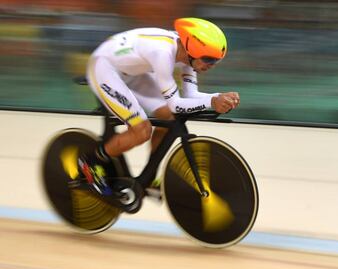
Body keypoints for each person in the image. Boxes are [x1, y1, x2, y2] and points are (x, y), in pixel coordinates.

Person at [80, 17, 240, 195]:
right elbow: (176, 104)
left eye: (216, 61)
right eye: (209, 59)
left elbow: (190, 95)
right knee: (141, 131)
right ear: (193, 49)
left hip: (132, 71)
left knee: (167, 117)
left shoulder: (188, 57)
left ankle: (147, 178)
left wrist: (218, 97)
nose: (212, 65)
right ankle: (89, 162)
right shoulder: (163, 53)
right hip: (104, 68)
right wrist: (212, 102)